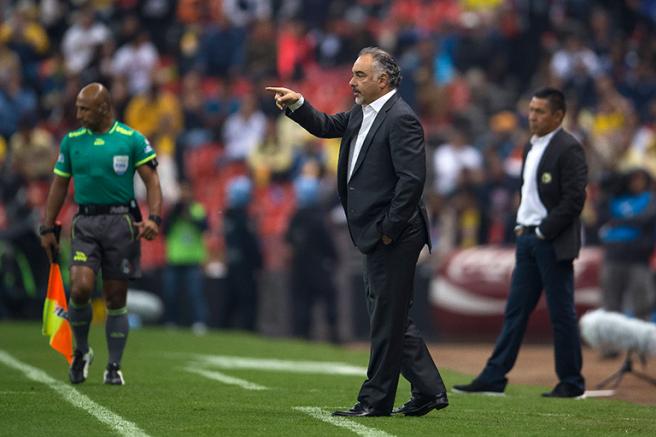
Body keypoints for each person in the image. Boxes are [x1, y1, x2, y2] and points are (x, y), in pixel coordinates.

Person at [267, 46, 448, 417]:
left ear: (383, 80)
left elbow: (412, 182)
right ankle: (429, 390)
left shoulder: (401, 118)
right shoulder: (362, 113)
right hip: (375, 232)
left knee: (385, 317)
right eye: (352, 74)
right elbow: (326, 126)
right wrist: (298, 103)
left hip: (394, 234)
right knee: (391, 315)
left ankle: (374, 400)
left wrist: (388, 230)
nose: (351, 81)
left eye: (360, 75)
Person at [453, 87, 588, 398]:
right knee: (515, 311)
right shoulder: (530, 146)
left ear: (558, 115)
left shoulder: (569, 148)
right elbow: (530, 194)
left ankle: (571, 381)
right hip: (527, 238)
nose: (532, 116)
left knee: (561, 312)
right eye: (531, 110)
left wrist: (544, 229)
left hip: (549, 240)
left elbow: (574, 198)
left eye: (540, 111)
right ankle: (494, 376)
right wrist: (521, 224)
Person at [40, 82, 162, 385]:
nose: (78, 113)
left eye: (85, 108)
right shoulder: (71, 142)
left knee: (115, 298)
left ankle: (114, 365)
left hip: (121, 223)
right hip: (85, 222)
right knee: (80, 288)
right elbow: (59, 185)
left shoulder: (130, 139)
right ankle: (81, 351)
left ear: (104, 108)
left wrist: (154, 218)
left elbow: (153, 181)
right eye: (78, 107)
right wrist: (47, 225)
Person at [162, 181, 209, 335]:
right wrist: (176, 213)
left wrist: (190, 217)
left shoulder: (197, 209)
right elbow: (165, 230)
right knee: (171, 293)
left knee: (195, 293)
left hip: (192, 258)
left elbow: (205, 227)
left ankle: (199, 322)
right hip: (174, 257)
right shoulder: (173, 210)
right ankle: (171, 321)